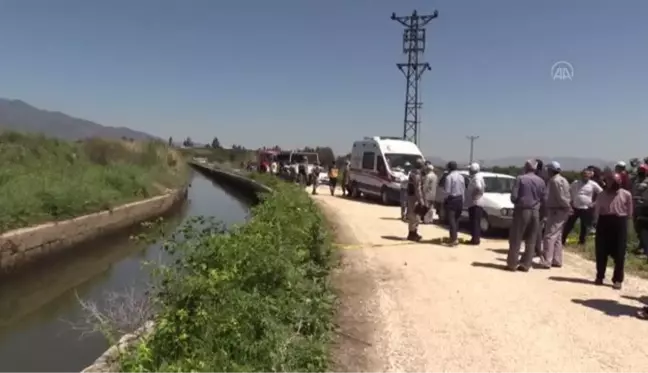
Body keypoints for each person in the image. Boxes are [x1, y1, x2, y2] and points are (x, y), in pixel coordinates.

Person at [593, 173, 633, 289]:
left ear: (619, 182)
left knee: (620, 253)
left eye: (614, 182)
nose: (612, 184)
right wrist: (595, 223)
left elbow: (629, 213)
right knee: (601, 251)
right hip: (604, 221)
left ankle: (617, 280)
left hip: (619, 222)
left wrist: (628, 229)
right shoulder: (601, 195)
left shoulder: (626, 194)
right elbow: (597, 210)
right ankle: (600, 276)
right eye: (610, 182)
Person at [506, 160, 546, 272]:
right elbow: (544, 198)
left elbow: (513, 197)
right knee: (531, 239)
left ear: (526, 167)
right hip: (536, 212)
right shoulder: (541, 181)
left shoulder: (520, 179)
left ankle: (512, 263)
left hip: (522, 210)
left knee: (516, 238)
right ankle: (525, 264)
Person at [540, 161, 571, 268]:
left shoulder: (554, 181)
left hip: (556, 210)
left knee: (549, 235)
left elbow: (560, 197)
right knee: (558, 236)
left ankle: (546, 261)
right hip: (562, 211)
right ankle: (556, 260)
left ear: (550, 170)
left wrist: (566, 206)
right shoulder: (564, 180)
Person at [562, 168, 602, 245]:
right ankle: (562, 240)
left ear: (590, 175)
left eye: (587, 174)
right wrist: (570, 202)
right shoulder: (575, 183)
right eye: (584, 174)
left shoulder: (593, 184)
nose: (585, 176)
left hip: (586, 208)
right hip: (575, 207)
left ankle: (582, 242)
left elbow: (601, 193)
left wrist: (595, 203)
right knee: (569, 224)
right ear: (581, 175)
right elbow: (568, 191)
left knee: (584, 226)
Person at [443, 161, 465, 246]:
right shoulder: (461, 177)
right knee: (456, 219)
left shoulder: (449, 177)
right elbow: (463, 190)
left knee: (451, 219)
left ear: (449, 168)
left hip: (452, 199)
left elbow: (447, 191)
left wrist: (445, 200)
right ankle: (454, 237)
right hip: (460, 198)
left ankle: (453, 239)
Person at [465, 162, 485, 245]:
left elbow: (478, 187)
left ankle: (475, 240)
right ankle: (475, 238)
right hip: (476, 202)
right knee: (475, 221)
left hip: (475, 202)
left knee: (475, 222)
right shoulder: (478, 177)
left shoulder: (476, 178)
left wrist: (474, 195)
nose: (469, 171)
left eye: (470, 169)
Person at [406, 158, 426, 241]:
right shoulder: (417, 175)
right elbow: (417, 189)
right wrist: (421, 200)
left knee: (413, 216)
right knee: (415, 216)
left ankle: (413, 232)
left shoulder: (412, 172)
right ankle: (412, 234)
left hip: (411, 196)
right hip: (414, 197)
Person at [632, 164, 648, 255]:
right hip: (636, 207)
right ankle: (641, 245)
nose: (641, 172)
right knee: (636, 227)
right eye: (640, 170)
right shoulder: (636, 180)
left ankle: (644, 247)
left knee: (643, 228)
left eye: (643, 170)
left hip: (644, 208)